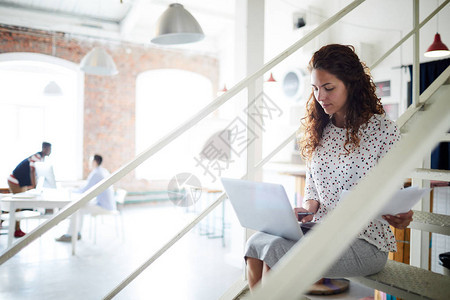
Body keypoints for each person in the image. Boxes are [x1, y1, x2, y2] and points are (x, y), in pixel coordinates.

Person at [244, 44, 414, 290]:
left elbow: (395, 197)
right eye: (315, 88)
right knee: (257, 244)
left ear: (351, 85)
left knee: (277, 253)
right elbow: (313, 191)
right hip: (322, 229)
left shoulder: (382, 130)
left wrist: (400, 216)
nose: (320, 97)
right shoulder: (319, 129)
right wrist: (306, 209)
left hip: (366, 241)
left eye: (328, 88)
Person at [56, 154, 116, 242]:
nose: (89, 163)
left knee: (76, 208)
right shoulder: (102, 171)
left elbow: (84, 190)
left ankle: (71, 235)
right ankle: (76, 233)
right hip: (108, 204)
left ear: (95, 162)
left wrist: (70, 190)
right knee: (80, 207)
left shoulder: (96, 173)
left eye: (91, 161)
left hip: (104, 206)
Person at [6, 142, 52, 237]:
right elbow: (32, 171)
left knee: (14, 205)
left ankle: (5, 223)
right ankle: (17, 230)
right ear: (44, 148)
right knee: (17, 205)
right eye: (48, 149)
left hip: (19, 182)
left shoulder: (41, 158)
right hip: (15, 181)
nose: (50, 151)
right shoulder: (37, 157)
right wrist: (33, 185)